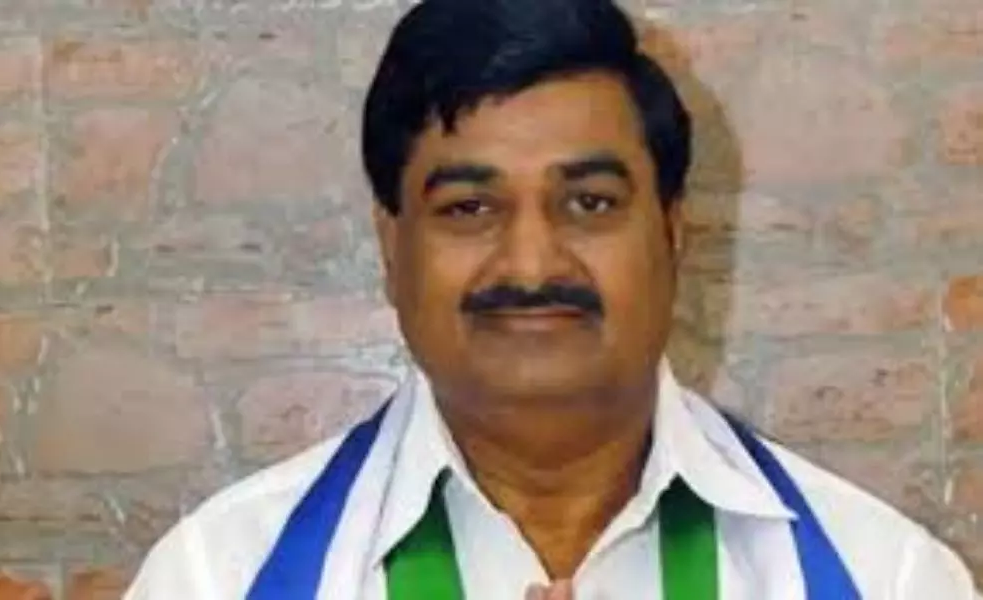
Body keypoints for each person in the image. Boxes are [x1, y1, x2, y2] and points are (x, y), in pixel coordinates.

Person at [123, 0, 979, 598]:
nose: (531, 263)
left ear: (672, 233)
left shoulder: (888, 577)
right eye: (469, 208)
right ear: (391, 248)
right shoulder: (217, 576)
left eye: (591, 203)